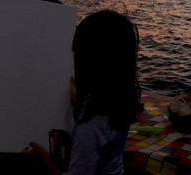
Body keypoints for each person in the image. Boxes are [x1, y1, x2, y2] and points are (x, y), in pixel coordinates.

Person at [22, 9, 142, 175]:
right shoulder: (118, 100)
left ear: (88, 63)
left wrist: (42, 157)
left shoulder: (90, 126)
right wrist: (79, 102)